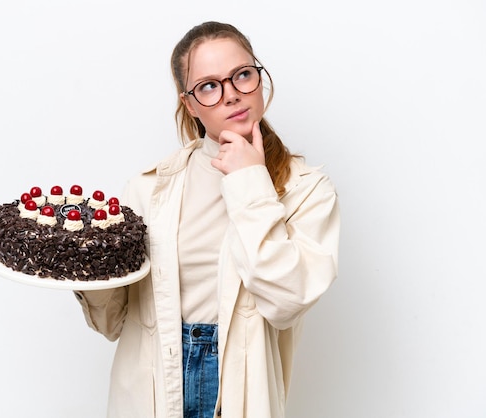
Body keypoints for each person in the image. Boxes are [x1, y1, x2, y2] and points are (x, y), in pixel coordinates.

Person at [74, 21, 340, 418]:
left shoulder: (307, 190)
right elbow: (113, 323)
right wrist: (81, 264)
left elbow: (286, 301)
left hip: (237, 383)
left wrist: (250, 179)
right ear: (190, 104)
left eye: (243, 75)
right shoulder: (148, 189)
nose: (232, 94)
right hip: (154, 382)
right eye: (210, 86)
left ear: (260, 80)